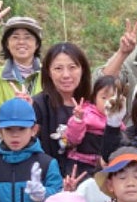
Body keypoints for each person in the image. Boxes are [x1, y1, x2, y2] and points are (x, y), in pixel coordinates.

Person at [31, 42, 93, 175]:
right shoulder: (38, 105)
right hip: (50, 182)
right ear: (48, 72)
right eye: (58, 68)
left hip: (88, 182)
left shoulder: (94, 104)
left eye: (72, 67)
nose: (66, 75)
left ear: (83, 69)